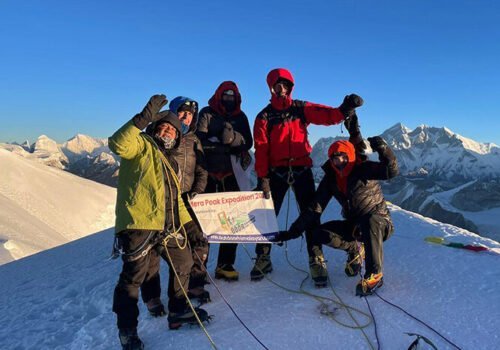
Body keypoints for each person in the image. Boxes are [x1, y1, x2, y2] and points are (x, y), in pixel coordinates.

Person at [110, 95, 209, 350]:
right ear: (154, 129)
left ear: (177, 137)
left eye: (172, 130)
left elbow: (176, 200)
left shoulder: (171, 161)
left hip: (168, 226)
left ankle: (177, 309)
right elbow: (118, 144)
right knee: (133, 279)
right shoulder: (141, 145)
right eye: (163, 127)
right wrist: (142, 119)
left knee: (184, 261)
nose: (167, 132)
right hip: (139, 225)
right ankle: (127, 331)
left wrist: (192, 228)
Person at [252, 67, 363, 284]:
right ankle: (263, 257)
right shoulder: (264, 116)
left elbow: (325, 115)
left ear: (290, 87)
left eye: (285, 84)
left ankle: (316, 258)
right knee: (267, 216)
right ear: (271, 87)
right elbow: (261, 147)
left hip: (301, 169)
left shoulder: (300, 108)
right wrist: (262, 178)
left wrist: (344, 110)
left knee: (311, 214)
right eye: (277, 85)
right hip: (277, 172)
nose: (281, 88)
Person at [274, 113, 399, 295]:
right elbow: (314, 209)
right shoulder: (331, 179)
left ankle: (374, 274)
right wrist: (291, 233)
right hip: (355, 226)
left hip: (380, 223)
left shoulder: (362, 168)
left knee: (371, 220)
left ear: (349, 155)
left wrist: (384, 149)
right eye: (334, 157)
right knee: (317, 234)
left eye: (342, 156)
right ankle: (355, 249)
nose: (338, 161)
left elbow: (391, 170)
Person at [196, 81, 253, 281]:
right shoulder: (206, 113)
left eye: (232, 96)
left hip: (231, 175)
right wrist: (226, 145)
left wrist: (233, 138)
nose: (229, 99)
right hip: (208, 173)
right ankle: (199, 267)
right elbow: (199, 141)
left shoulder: (241, 116)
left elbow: (248, 141)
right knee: (205, 221)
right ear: (219, 95)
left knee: (232, 221)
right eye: (226, 95)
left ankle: (225, 264)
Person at [168, 96, 210, 303]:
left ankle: (195, 285)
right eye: (182, 113)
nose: (185, 118)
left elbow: (202, 171)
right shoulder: (163, 135)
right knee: (169, 248)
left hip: (188, 201)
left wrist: (198, 191)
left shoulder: (194, 141)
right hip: (166, 202)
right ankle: (154, 298)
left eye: (190, 114)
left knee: (200, 241)